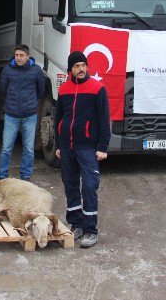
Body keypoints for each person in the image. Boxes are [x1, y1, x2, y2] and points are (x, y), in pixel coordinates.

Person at [54, 51, 111, 248]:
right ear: (70, 69)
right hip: (67, 148)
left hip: (87, 147)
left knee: (89, 186)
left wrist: (103, 147)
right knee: (70, 186)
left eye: (83, 65)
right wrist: (59, 146)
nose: (80, 69)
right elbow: (58, 119)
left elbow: (104, 119)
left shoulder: (97, 88)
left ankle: (90, 230)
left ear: (87, 67)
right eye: (76, 66)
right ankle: (76, 225)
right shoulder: (64, 90)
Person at [0, 44, 45, 181]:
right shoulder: (7, 70)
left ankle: (25, 176)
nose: (18, 58)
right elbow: (2, 89)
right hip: (11, 115)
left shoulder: (36, 70)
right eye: (16, 55)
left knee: (29, 149)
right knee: (6, 148)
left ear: (28, 56)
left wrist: (31, 103)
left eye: (21, 55)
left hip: (30, 115)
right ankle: (2, 176)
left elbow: (41, 90)